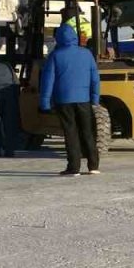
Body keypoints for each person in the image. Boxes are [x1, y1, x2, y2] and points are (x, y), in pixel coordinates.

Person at [40, 24, 102, 176]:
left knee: (71, 132)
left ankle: (74, 167)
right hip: (84, 100)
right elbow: (95, 78)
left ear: (58, 38)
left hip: (63, 100)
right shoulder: (87, 54)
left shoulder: (55, 55)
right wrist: (94, 98)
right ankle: (93, 166)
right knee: (87, 131)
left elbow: (48, 81)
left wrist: (45, 102)